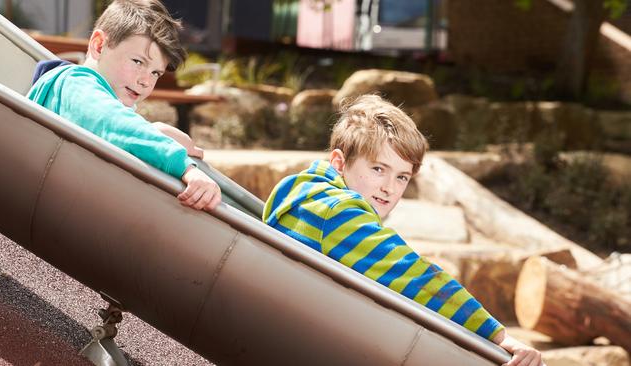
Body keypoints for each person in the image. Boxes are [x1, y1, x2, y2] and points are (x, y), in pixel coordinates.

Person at [263, 95, 544, 366]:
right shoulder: (338, 212)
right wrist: (499, 335)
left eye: (401, 177)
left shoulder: (297, 192)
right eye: (378, 169)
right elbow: (415, 277)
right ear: (339, 163)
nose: (390, 187)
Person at [28, 0, 220, 211]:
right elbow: (111, 121)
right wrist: (184, 167)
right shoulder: (75, 84)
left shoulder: (89, 98)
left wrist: (156, 130)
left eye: (156, 73)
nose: (146, 81)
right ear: (99, 45)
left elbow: (115, 124)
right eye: (138, 62)